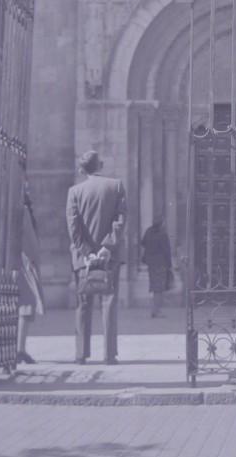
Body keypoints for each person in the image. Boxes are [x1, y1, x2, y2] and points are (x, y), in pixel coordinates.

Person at [66, 150, 126, 364]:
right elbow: (120, 220)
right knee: (109, 302)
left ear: (83, 169)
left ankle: (81, 354)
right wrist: (107, 247)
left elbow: (73, 227)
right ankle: (109, 355)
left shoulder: (75, 191)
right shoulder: (116, 186)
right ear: (100, 166)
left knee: (83, 303)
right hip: (109, 256)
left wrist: (87, 252)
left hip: (83, 258)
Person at [16, 180, 45, 364]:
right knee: (26, 306)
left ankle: (19, 348)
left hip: (20, 261)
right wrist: (34, 261)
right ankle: (19, 349)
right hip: (25, 263)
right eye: (26, 189)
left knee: (23, 307)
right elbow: (30, 240)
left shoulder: (18, 209)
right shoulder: (23, 211)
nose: (29, 191)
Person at [140, 218, 173, 318]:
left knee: (154, 287)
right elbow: (167, 250)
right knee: (159, 288)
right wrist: (169, 264)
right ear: (161, 224)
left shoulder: (148, 231)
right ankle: (157, 310)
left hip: (151, 263)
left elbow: (143, 243)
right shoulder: (163, 234)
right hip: (160, 263)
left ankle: (154, 309)